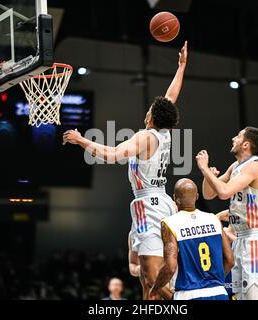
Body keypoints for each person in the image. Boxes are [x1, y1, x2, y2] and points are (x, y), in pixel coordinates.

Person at [63, 42, 188, 300]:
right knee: (144, 277)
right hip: (161, 201)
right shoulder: (165, 132)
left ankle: (187, 301)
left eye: (152, 109)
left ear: (152, 116)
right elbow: (171, 97)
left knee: (152, 277)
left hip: (149, 205)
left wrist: (82, 140)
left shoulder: (145, 137)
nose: (150, 109)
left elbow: (112, 155)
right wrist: (181, 67)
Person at [196, 127, 258, 300]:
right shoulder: (236, 166)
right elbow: (209, 194)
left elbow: (224, 192)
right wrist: (208, 176)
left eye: (238, 136)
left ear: (246, 144)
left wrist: (204, 169)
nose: (234, 138)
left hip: (256, 240)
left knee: (253, 297)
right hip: (240, 239)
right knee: (240, 297)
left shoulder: (254, 167)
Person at [150, 178, 234, 300]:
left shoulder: (170, 223)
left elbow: (170, 266)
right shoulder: (213, 219)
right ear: (197, 196)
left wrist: (155, 288)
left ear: (175, 198)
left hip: (188, 294)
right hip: (219, 292)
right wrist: (214, 282)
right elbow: (230, 260)